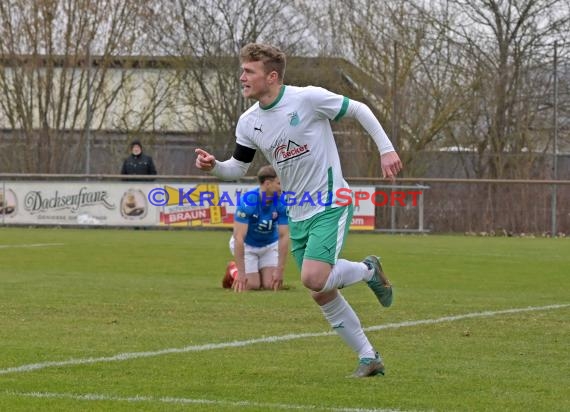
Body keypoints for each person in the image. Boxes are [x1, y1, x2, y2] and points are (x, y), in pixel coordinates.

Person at [195, 43, 402, 378]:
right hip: (298, 210)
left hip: (330, 200)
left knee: (313, 278)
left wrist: (386, 150)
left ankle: (367, 270)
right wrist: (214, 166)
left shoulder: (306, 99)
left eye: (249, 71)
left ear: (272, 76)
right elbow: (237, 168)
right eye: (242, 70)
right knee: (320, 293)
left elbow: (360, 109)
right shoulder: (248, 122)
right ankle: (368, 357)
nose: (242, 77)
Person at [222, 165, 289, 291]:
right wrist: (241, 273)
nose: (283, 187)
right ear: (268, 183)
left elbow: (284, 235)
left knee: (271, 285)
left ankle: (257, 271)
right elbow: (239, 237)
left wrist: (280, 270)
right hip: (248, 246)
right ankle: (233, 269)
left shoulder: (282, 201)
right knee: (251, 285)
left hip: (269, 245)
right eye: (279, 183)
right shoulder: (248, 201)